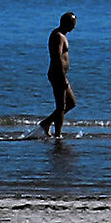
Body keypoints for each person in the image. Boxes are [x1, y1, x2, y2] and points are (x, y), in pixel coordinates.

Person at [40, 12, 77, 140]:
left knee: (71, 103)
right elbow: (57, 58)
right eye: (73, 24)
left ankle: (46, 123)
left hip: (61, 74)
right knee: (61, 106)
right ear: (67, 23)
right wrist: (62, 78)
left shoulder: (63, 35)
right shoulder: (58, 36)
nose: (74, 27)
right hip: (57, 73)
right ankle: (58, 134)